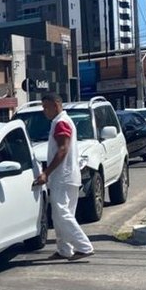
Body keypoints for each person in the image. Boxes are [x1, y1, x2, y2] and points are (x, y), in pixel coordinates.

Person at [33, 93, 95, 261]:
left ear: (56, 105)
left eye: (46, 106)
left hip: (63, 176)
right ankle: (64, 250)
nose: (44, 110)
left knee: (62, 214)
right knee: (62, 215)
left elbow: (62, 150)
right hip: (68, 176)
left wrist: (46, 172)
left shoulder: (61, 122)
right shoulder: (61, 121)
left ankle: (84, 246)